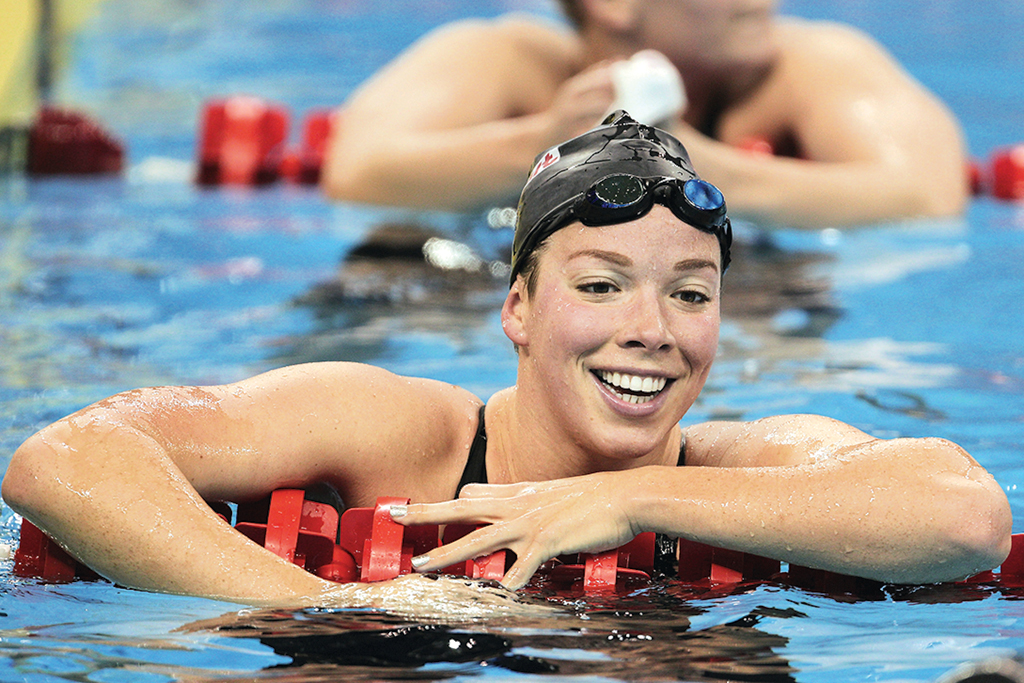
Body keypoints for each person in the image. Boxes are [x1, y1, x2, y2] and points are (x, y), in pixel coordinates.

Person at [2, 113, 1008, 607]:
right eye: (602, 283)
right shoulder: (398, 430)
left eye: (689, 292)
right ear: (518, 308)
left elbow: (964, 515)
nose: (652, 327)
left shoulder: (734, 465)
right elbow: (68, 455)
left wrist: (640, 499)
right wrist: (339, 609)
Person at [321, 0, 968, 228]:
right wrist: (544, 145)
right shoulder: (506, 61)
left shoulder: (808, 64)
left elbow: (929, 192)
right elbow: (355, 174)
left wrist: (697, 165)